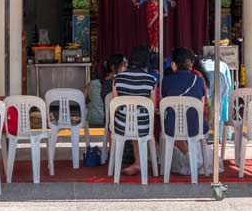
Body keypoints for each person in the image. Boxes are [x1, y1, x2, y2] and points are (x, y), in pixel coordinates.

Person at [112, 45, 157, 176]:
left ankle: (138, 163)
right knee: (138, 122)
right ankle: (140, 163)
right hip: (143, 126)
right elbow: (152, 106)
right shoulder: (151, 80)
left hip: (121, 126)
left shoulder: (118, 78)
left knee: (130, 120)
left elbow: (116, 105)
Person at [161, 48, 208, 159]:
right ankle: (192, 156)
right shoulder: (199, 81)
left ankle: (188, 155)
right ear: (190, 64)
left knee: (170, 127)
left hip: (172, 126)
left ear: (173, 64)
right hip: (196, 126)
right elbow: (201, 106)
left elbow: (165, 99)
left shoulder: (166, 81)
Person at [85, 53, 125, 127]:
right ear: (113, 67)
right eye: (123, 64)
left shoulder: (91, 83)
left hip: (91, 120)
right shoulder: (118, 85)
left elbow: (83, 101)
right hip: (109, 123)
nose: (126, 67)